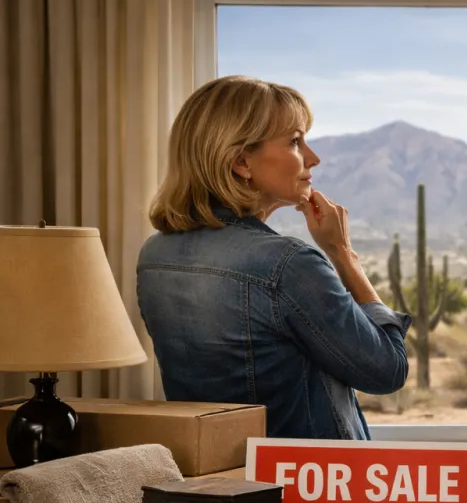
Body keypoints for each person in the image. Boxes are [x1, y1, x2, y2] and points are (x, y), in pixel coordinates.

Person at [138, 75, 411, 440]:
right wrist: (343, 255)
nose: (312, 158)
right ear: (240, 161)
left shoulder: (155, 254)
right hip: (304, 486)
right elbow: (386, 371)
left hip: (217, 482)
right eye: (295, 142)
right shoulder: (288, 264)